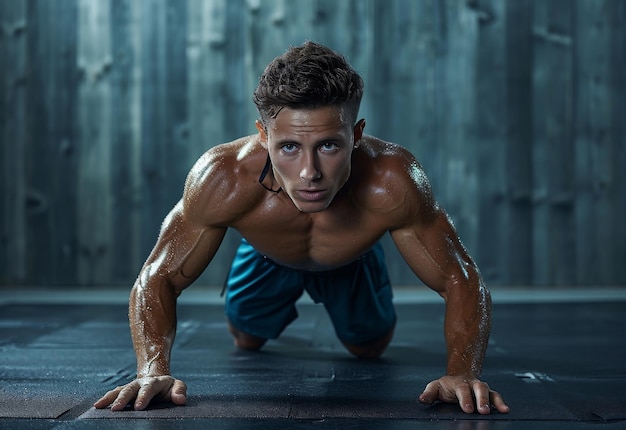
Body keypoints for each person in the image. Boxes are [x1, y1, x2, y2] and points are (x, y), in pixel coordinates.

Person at [94, 41, 509, 415]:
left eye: (329, 145)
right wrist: (152, 370)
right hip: (265, 256)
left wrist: (461, 373)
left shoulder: (392, 181)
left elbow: (460, 275)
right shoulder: (223, 178)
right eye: (288, 147)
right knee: (247, 338)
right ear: (263, 137)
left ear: (357, 135)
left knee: (370, 348)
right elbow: (159, 274)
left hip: (354, 259)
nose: (310, 172)